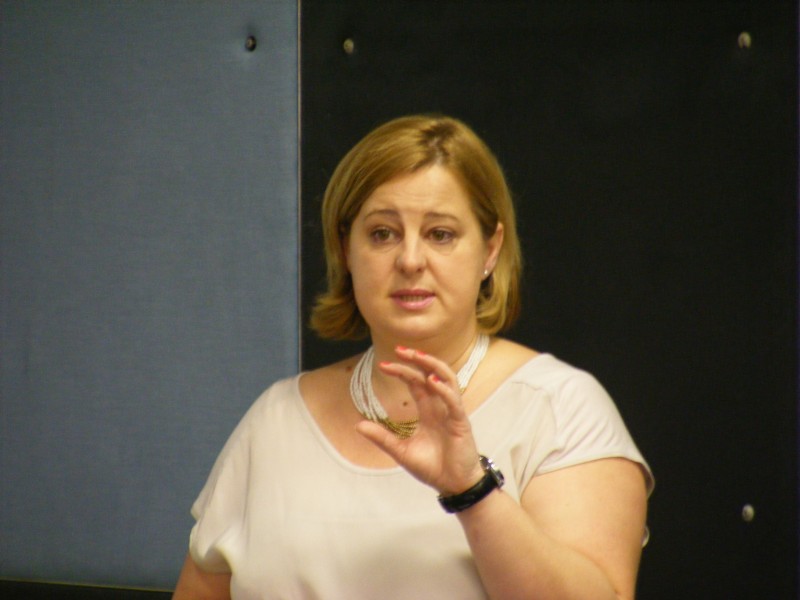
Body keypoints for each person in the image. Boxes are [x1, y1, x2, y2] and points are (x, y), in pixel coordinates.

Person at [173, 115, 653, 599]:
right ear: (345, 250)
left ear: (490, 250)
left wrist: (471, 490)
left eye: (440, 234)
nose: (409, 260)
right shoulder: (275, 419)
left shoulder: (560, 406)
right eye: (383, 234)